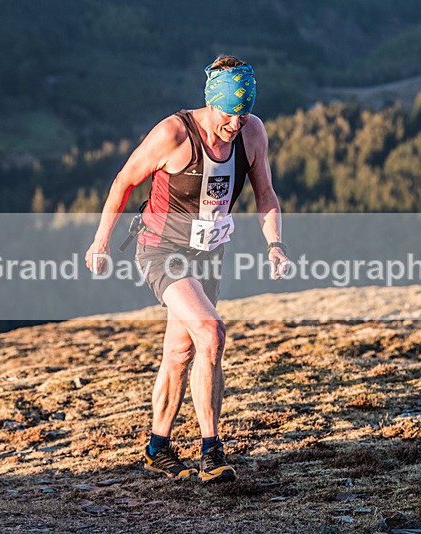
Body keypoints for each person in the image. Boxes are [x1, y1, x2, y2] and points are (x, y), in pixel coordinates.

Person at [85, 55, 288, 483]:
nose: (237, 123)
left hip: (208, 254)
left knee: (180, 353)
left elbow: (265, 194)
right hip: (162, 249)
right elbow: (123, 182)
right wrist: (100, 242)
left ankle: (157, 447)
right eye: (230, 114)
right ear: (211, 103)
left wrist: (275, 245)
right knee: (211, 332)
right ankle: (211, 451)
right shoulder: (174, 134)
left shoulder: (251, 133)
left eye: (244, 112)